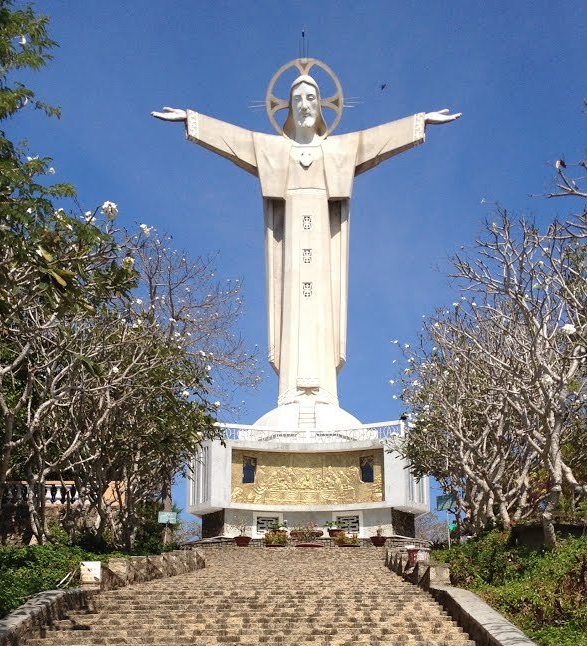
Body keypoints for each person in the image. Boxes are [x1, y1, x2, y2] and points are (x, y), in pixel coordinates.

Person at [153, 72, 459, 427]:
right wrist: (192, 121)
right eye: (297, 98)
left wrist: (419, 123)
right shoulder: (274, 150)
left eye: (311, 98)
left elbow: (375, 141)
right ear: (287, 107)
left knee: (321, 310)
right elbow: (234, 140)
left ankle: (325, 397)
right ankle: (290, 397)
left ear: (323, 105)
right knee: (292, 310)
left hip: (323, 244)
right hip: (291, 238)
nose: (304, 105)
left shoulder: (337, 149)